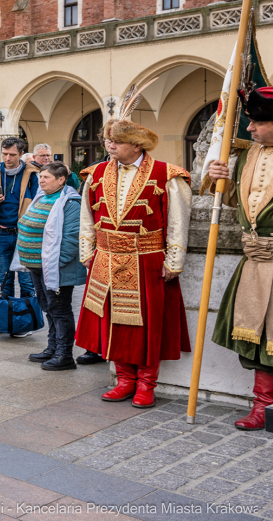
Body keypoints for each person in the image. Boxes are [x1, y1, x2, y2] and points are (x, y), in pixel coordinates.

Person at [75, 117, 191, 409]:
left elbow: (178, 221)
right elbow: (86, 216)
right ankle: (124, 379)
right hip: (106, 257)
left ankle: (147, 384)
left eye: (117, 142)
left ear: (137, 145)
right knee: (112, 320)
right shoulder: (96, 173)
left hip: (146, 260)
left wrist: (174, 261)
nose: (110, 146)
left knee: (147, 325)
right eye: (107, 141)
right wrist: (87, 253)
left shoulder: (167, 174)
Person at [207, 86, 273, 429]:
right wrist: (224, 182)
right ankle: (264, 407)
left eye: (257, 122)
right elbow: (240, 205)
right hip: (255, 262)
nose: (249, 129)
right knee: (257, 338)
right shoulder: (249, 155)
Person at [12, 162, 86, 370]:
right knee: (49, 307)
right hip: (37, 267)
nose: (40, 180)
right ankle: (52, 347)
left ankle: (65, 354)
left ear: (61, 180)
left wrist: (55, 264)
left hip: (55, 269)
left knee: (60, 310)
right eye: (40, 177)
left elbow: (72, 239)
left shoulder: (70, 203)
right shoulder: (42, 197)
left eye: (46, 177)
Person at [0, 137, 39, 335]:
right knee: (5, 279)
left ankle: (24, 321)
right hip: (2, 233)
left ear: (21, 154)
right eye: (4, 154)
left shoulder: (32, 175)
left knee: (25, 280)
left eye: (12, 154)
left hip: (24, 234)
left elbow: (40, 204)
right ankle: (4, 319)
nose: (7, 158)